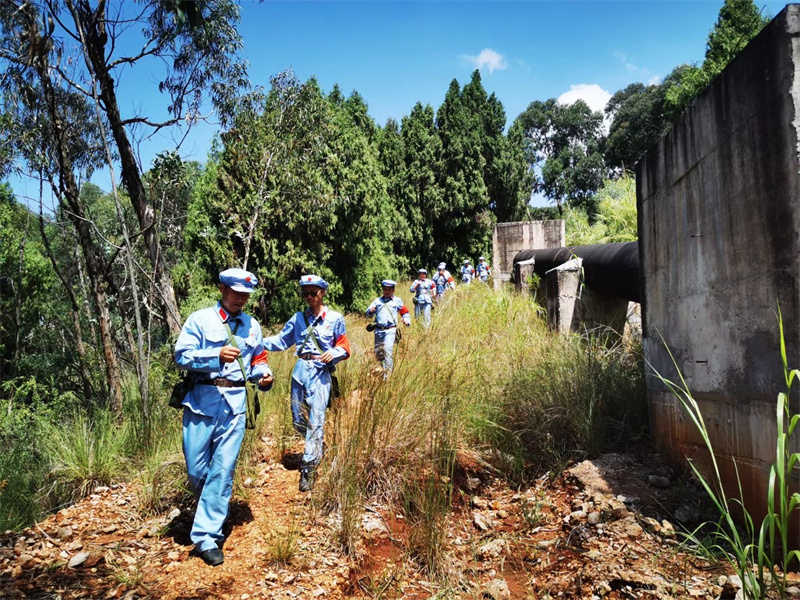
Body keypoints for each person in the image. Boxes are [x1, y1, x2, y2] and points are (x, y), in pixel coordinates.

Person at [175, 268, 274, 566]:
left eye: (245, 295)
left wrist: (263, 376)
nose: (241, 299)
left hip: (234, 405)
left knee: (223, 469)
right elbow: (181, 355)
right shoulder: (200, 320)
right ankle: (213, 504)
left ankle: (207, 536)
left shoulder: (252, 325)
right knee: (195, 469)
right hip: (201, 402)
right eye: (235, 292)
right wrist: (215, 355)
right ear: (221, 288)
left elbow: (258, 359)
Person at [262, 275, 350, 492]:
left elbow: (345, 347)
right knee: (298, 419)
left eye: (314, 293)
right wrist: (256, 341)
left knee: (315, 420)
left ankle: (309, 467)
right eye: (306, 293)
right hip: (300, 371)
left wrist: (334, 353)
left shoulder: (335, 318)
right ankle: (317, 445)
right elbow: (282, 341)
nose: (310, 297)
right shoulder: (298, 318)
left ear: (323, 293)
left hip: (321, 373)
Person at [365, 280, 411, 377]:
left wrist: (406, 320)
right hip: (378, 330)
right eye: (385, 289)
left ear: (393, 290)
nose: (387, 291)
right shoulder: (377, 301)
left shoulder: (397, 301)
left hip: (390, 330)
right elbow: (368, 312)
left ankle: (388, 377)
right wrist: (370, 311)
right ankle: (380, 374)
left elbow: (405, 312)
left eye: (389, 289)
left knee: (387, 351)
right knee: (378, 354)